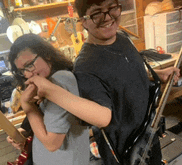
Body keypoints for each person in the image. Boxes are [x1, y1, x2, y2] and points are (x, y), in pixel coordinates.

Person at [22, 0, 181, 165]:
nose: (107, 17)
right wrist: (49, 91)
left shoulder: (122, 38)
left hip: (148, 134)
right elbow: (103, 118)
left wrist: (158, 74)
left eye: (112, 8)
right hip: (128, 154)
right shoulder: (86, 65)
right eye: (97, 13)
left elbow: (123, 74)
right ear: (84, 21)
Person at [6, 33, 90, 165]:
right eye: (22, 70)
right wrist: (25, 131)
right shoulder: (47, 83)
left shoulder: (59, 80)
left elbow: (52, 143)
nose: (28, 74)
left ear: (47, 55)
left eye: (30, 64)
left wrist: (26, 104)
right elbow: (47, 122)